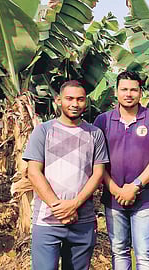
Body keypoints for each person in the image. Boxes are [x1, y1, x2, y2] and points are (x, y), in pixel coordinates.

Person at [23, 80, 109, 270]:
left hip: (82, 219)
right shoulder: (43, 131)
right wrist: (58, 207)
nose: (75, 104)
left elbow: (98, 173)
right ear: (58, 100)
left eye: (80, 99)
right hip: (47, 220)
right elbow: (33, 171)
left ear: (85, 102)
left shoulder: (95, 134)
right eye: (69, 98)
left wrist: (74, 205)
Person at [93, 71, 149, 270]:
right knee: (119, 251)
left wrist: (134, 186)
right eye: (124, 89)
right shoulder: (102, 121)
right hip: (113, 198)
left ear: (140, 92)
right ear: (116, 92)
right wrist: (117, 190)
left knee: (144, 251)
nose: (129, 94)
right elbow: (97, 162)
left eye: (133, 89)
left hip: (145, 198)